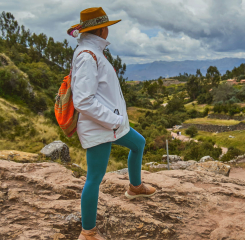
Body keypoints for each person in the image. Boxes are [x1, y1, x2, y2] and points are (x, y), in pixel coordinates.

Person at [67, 7, 156, 240]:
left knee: (138, 143)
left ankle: (135, 188)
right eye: (107, 26)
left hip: (111, 125)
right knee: (94, 179)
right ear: (101, 29)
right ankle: (88, 232)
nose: (109, 30)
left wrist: (117, 121)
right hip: (100, 126)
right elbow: (83, 101)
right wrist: (114, 120)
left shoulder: (92, 51)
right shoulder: (88, 55)